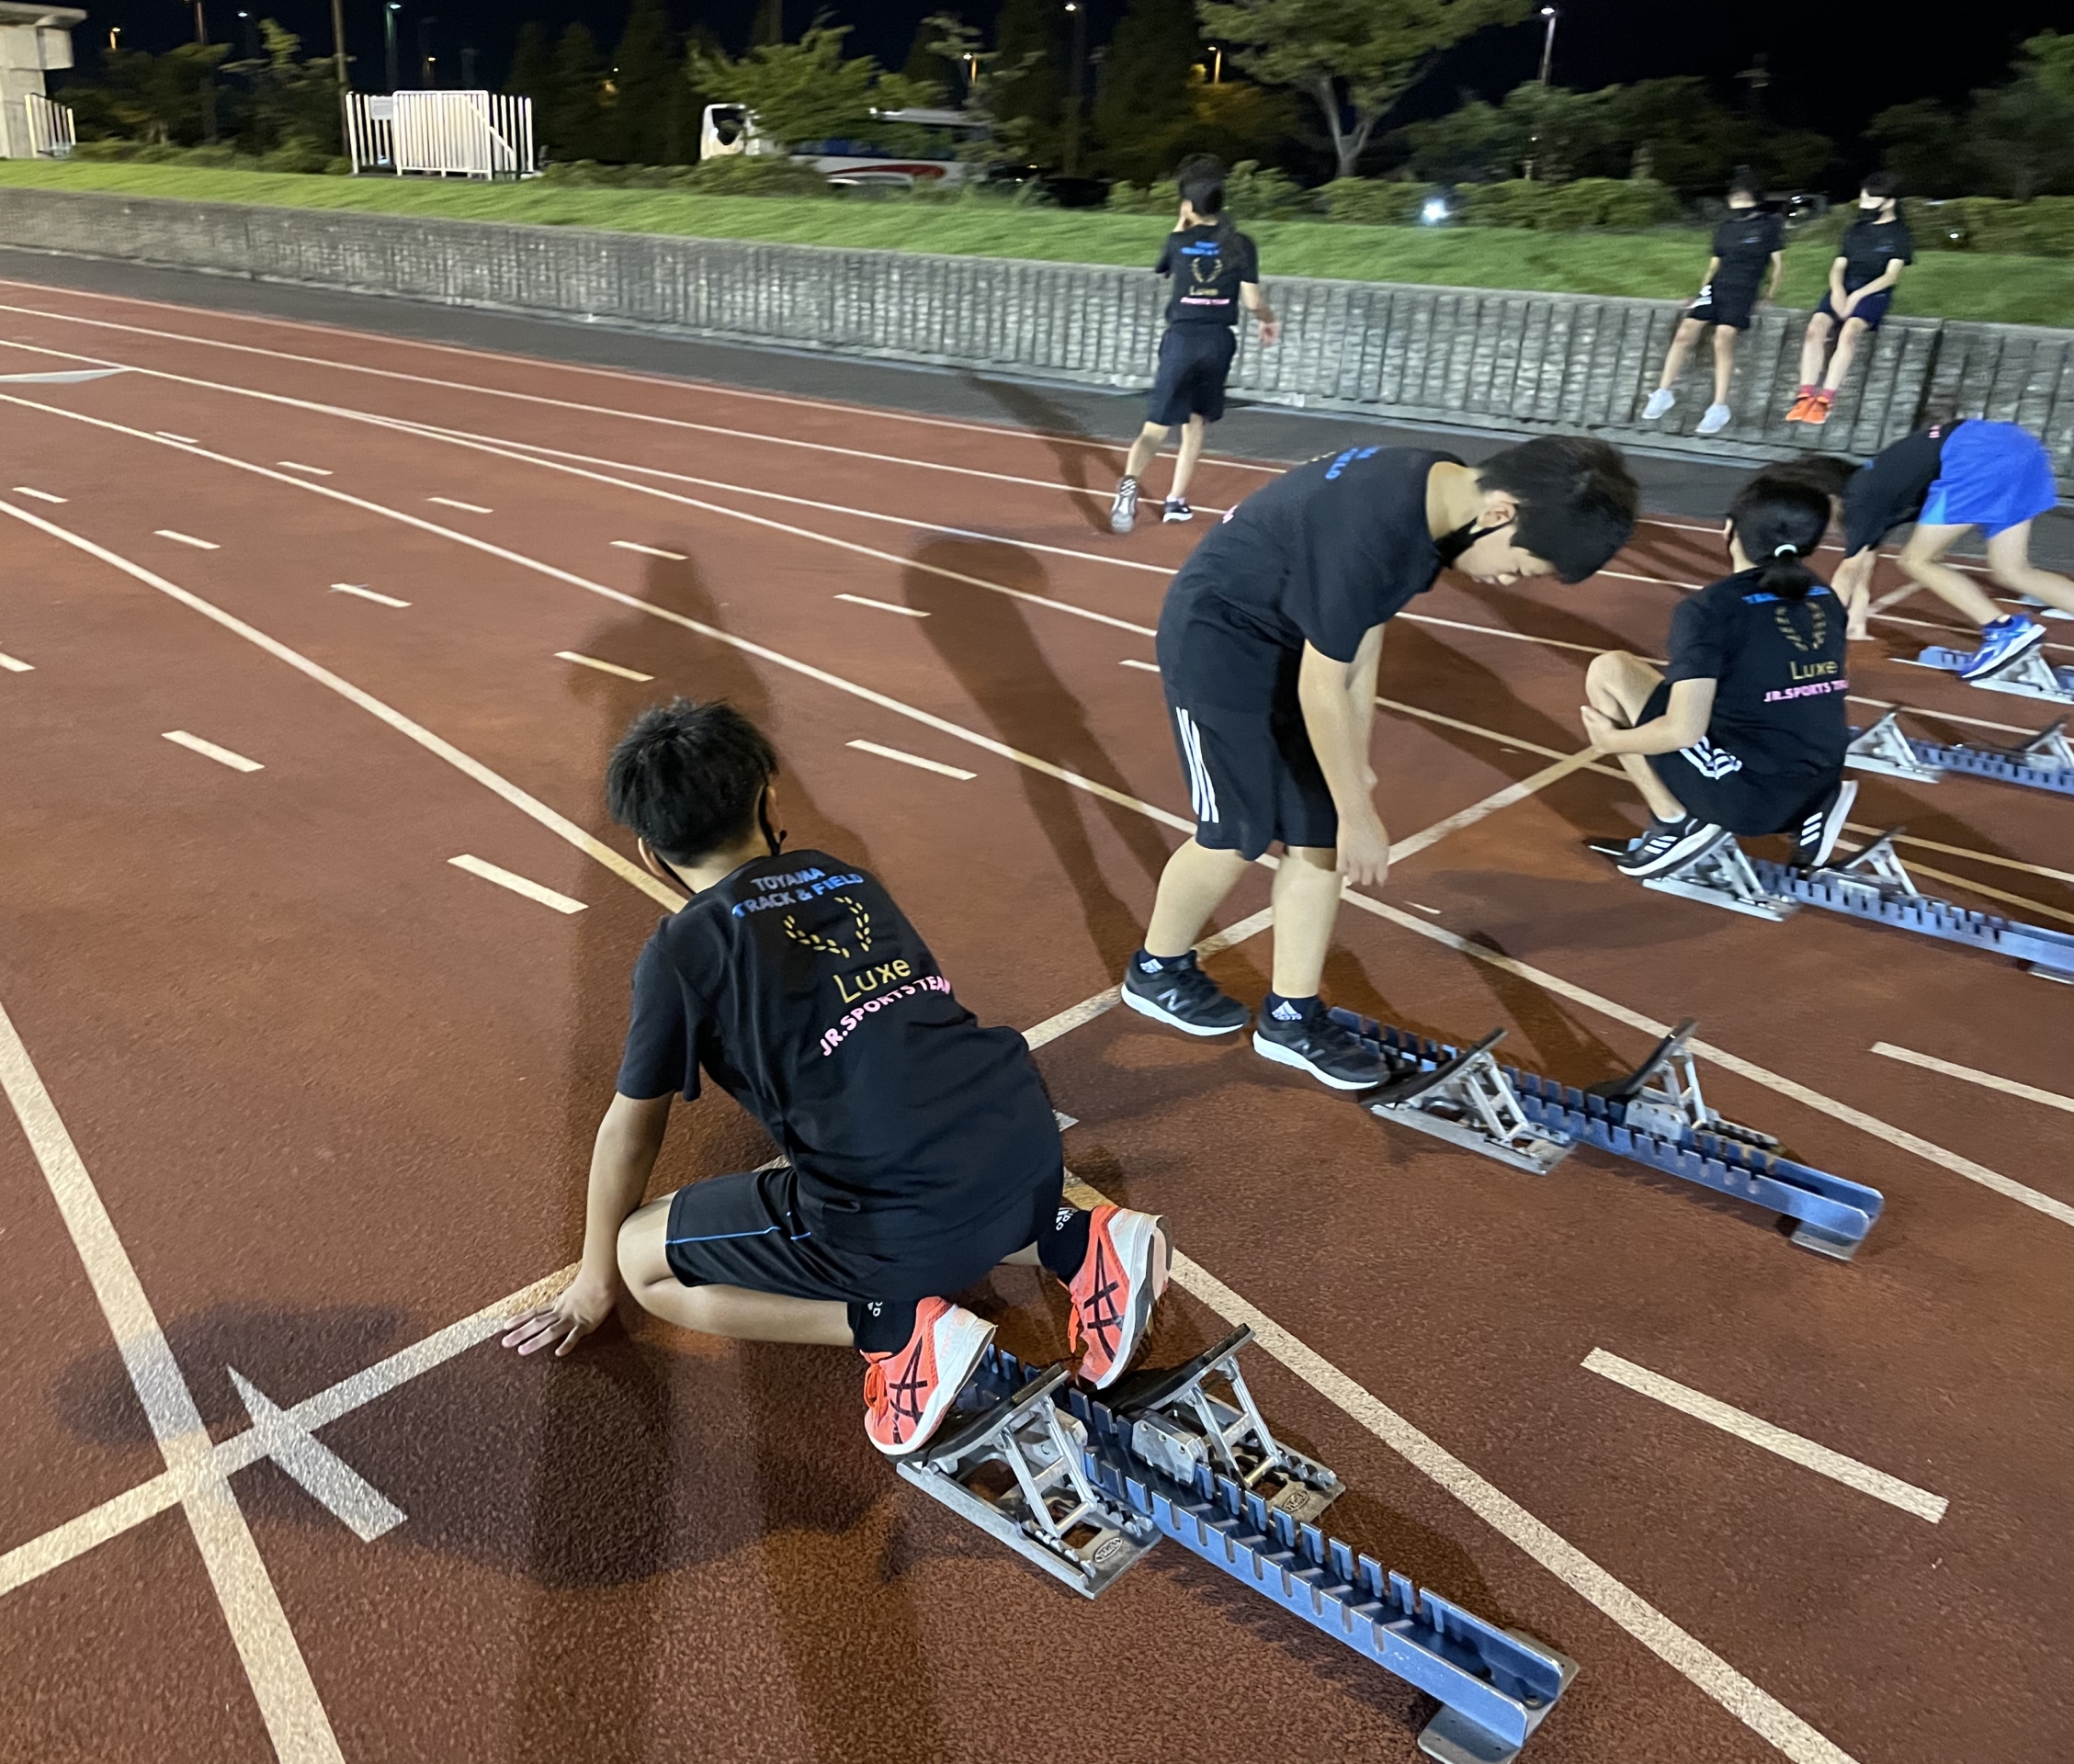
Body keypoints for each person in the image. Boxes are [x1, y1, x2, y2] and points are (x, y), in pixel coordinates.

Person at [499, 698, 1173, 1456]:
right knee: (932, 1168)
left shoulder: (682, 950)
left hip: (896, 1217)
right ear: (769, 798)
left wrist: (595, 1282)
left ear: (651, 854)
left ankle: (892, 1329)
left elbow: (631, 1129)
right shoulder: (847, 880)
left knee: (642, 1259)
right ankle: (1079, 1240)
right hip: (1025, 1146)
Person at [1119, 436, 1639, 1086]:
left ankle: (1290, 1017)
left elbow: (1361, 634)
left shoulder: (1439, 496)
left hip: (1294, 645)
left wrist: (1354, 766)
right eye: (1523, 568)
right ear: (1502, 513)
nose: (1508, 580)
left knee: (1320, 837)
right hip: (1218, 643)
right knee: (1236, 833)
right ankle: (1156, 970)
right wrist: (1357, 809)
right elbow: (1322, 683)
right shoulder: (1377, 524)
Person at [1581, 473, 1857, 878]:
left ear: (1729, 530)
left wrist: (1611, 741)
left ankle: (1675, 822)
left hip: (1750, 801)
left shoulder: (1711, 610)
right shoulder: (1825, 597)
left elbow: (1683, 732)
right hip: (1820, 776)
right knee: (1624, 670)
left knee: (1608, 674)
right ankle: (1812, 810)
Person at [1109, 156, 1280, 535]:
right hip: (1217, 342)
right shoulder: (1241, 244)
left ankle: (1128, 487)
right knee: (1196, 423)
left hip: (1181, 339)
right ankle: (1175, 502)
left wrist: (1182, 221)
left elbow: (1164, 268)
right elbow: (1253, 302)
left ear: (1188, 205)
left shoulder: (1178, 240)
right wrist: (1269, 322)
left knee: (1155, 427)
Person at [1826, 417, 2072, 678]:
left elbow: (1848, 572)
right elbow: (1864, 562)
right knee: (2012, 570)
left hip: (1976, 453)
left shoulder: (1859, 500)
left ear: (1830, 498)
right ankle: (2009, 630)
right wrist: (1856, 621)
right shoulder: (1881, 487)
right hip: (2018, 446)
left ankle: (2005, 630)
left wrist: (1822, 636)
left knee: (1916, 561)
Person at [1641, 168, 1786, 437]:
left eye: (1743, 198)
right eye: (1734, 198)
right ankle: (1663, 392)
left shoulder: (1769, 226)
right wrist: (1700, 292)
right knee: (1685, 332)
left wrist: (1770, 294)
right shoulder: (1726, 228)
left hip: (1743, 289)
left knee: (1722, 338)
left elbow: (1778, 266)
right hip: (1717, 287)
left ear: (1755, 199)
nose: (1737, 204)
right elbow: (1714, 265)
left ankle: (1719, 407)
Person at [1786, 174, 1914, 427]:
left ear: (1888, 202)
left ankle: (1825, 400)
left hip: (1873, 291)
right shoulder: (1855, 231)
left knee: (1848, 333)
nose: (1864, 203)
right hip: (1844, 287)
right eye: (1863, 197)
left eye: (1870, 198)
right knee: (1815, 329)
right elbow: (1838, 266)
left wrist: (1857, 296)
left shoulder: (1900, 235)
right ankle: (1805, 396)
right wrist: (1838, 291)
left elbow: (1890, 277)